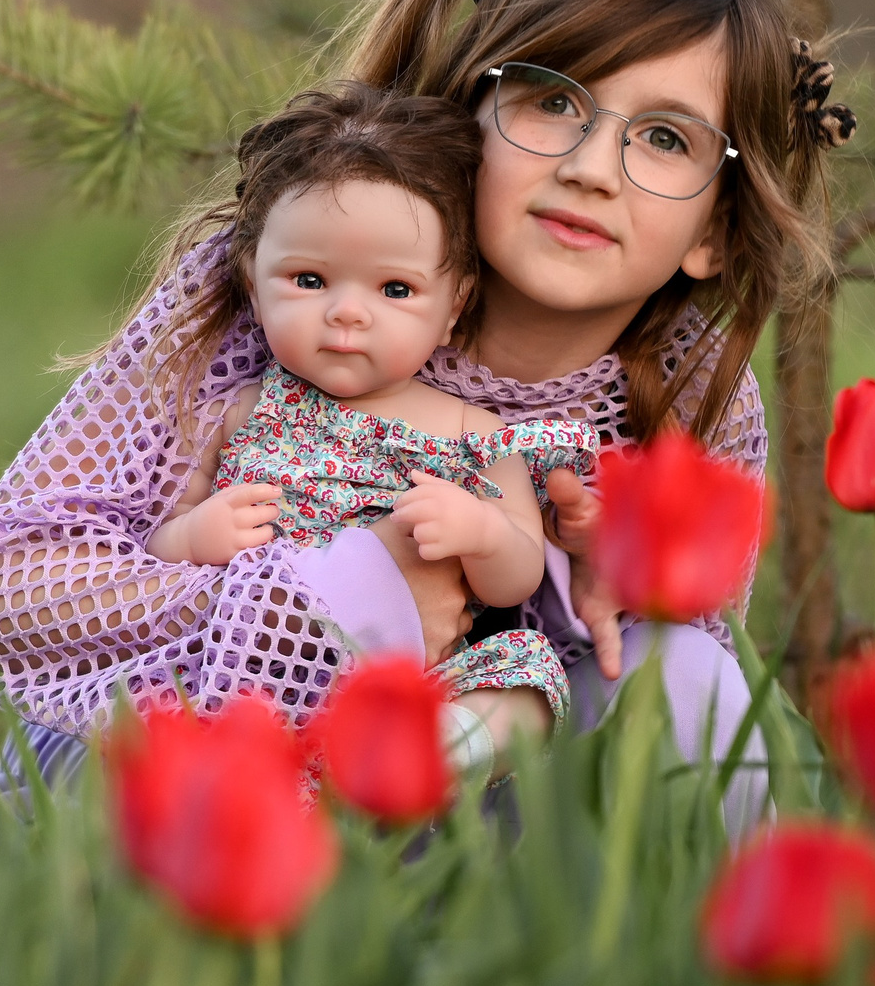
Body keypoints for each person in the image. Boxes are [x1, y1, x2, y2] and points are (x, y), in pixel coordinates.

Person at [0, 0, 848, 845]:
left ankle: (629, 965)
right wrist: (326, 599)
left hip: (467, 793)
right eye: (553, 99)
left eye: (665, 138)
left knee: (689, 677)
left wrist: (596, 583)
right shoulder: (299, 286)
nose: (592, 168)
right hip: (192, 751)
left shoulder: (691, 387)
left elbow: (667, 668)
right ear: (470, 114)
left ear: (714, 230)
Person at [141, 83, 597, 755]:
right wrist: (195, 536)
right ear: (252, 279)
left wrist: (480, 533)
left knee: (526, 672)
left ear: (453, 307)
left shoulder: (476, 434)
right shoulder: (238, 411)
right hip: (259, 677)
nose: (348, 313)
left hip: (419, 685)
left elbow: (519, 576)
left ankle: (447, 753)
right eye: (309, 280)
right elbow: (153, 544)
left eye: (394, 290)